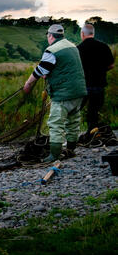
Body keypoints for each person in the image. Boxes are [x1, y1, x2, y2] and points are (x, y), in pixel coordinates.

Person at [23, 24, 87, 162]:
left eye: (48, 36)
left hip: (63, 93)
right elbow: (63, 67)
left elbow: (41, 70)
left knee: (56, 124)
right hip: (80, 91)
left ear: (51, 36)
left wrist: (28, 84)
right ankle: (70, 150)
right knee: (73, 122)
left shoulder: (52, 50)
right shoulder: (72, 46)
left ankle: (54, 155)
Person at [77, 23, 115, 136]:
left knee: (75, 110)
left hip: (83, 85)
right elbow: (111, 65)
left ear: (82, 34)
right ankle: (92, 134)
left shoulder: (78, 48)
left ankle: (72, 134)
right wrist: (101, 70)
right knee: (93, 111)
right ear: (93, 33)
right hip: (99, 84)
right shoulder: (104, 46)